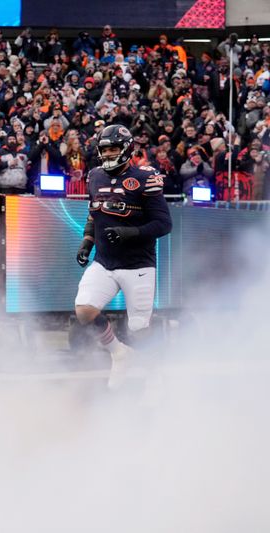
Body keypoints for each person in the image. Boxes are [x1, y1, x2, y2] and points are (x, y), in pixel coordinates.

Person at [74, 125, 172, 389]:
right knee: (84, 309)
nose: (108, 154)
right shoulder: (95, 175)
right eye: (104, 149)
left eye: (113, 149)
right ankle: (119, 353)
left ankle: (155, 373)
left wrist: (130, 232)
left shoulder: (144, 177)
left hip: (137, 265)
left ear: (127, 149)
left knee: (139, 328)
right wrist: (87, 242)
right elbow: (94, 213)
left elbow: (164, 224)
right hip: (104, 262)